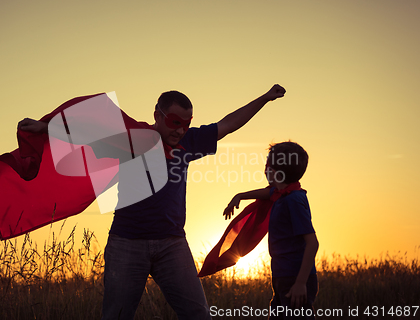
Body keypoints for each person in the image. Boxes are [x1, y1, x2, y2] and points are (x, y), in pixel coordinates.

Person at [18, 85, 286, 319]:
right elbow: (87, 134)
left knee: (198, 314)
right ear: (157, 115)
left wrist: (265, 98)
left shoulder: (189, 142)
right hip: (127, 244)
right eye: (173, 122)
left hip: (172, 245)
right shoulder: (133, 139)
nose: (180, 130)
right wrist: (46, 127)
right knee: (117, 316)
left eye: (186, 123)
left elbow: (228, 124)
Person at [223, 141, 319, 319]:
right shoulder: (282, 194)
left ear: (276, 171)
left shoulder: (294, 200)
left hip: (295, 278)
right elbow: (268, 193)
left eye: (268, 164)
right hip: (282, 275)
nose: (265, 169)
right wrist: (240, 196)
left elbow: (312, 243)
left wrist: (300, 283)